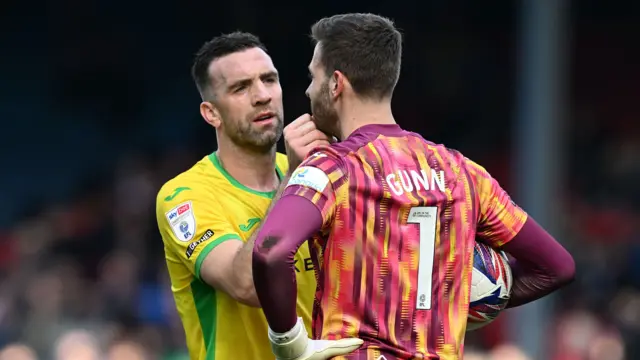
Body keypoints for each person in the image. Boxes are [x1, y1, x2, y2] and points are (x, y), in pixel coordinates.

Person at [251, 13, 576, 360]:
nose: (307, 90)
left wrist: (289, 341)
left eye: (312, 77)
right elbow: (557, 266)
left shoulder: (334, 167)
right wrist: (457, 299)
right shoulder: (463, 172)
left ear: (335, 84)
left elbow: (270, 250)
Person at [156, 32, 341, 360]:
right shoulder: (185, 196)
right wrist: (295, 181)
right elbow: (247, 285)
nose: (261, 96)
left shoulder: (321, 176)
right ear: (211, 113)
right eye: (240, 88)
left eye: (269, 80)